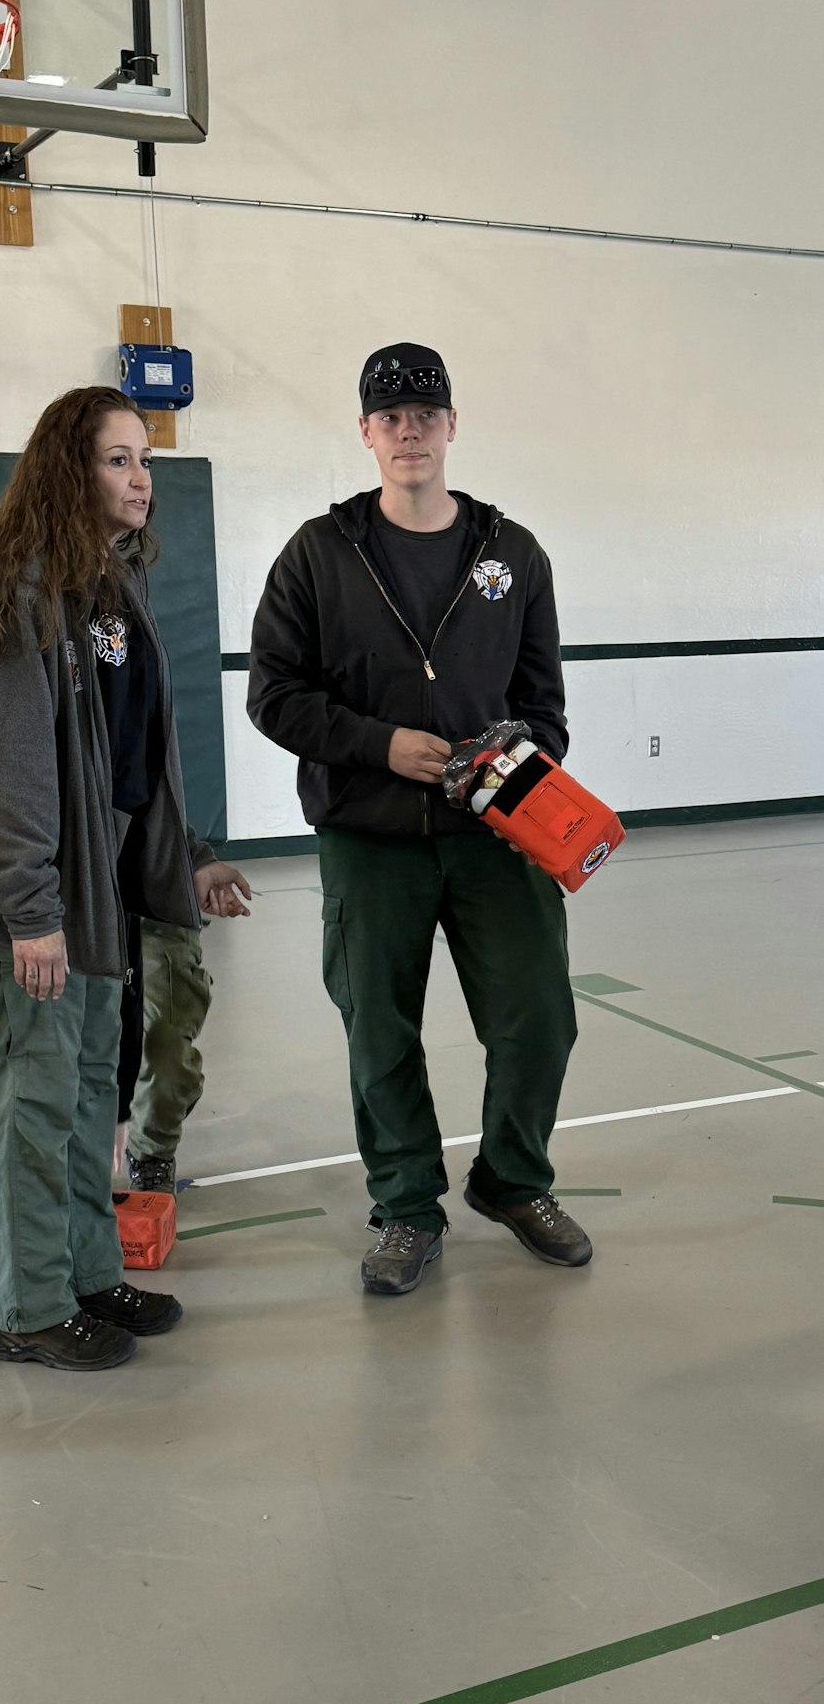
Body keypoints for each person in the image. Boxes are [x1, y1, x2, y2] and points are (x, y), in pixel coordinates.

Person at [248, 343, 590, 1297]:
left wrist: (514, 764)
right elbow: (273, 697)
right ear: (364, 433)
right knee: (380, 1033)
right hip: (369, 838)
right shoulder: (319, 554)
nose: (409, 432)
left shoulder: (512, 554)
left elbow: (546, 706)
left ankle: (514, 1182)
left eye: (425, 414)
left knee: (540, 1018)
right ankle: (405, 1207)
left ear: (452, 425)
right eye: (389, 417)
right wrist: (377, 744)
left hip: (498, 839)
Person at [0, 386, 251, 1371]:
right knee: (32, 1109)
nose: (141, 477)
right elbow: (10, 768)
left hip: (99, 897)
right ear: (70, 471)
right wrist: (32, 910)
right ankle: (26, 1306)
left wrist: (185, 855)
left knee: (82, 1103)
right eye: (118, 459)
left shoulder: (114, 589)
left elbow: (135, 754)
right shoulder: (21, 593)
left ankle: (85, 1269)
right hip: (29, 909)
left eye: (145, 458)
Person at [0, 739, 221, 1195]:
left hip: (144, 903)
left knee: (164, 1047)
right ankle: (60, 1155)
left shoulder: (82, 726)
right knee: (5, 1036)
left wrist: (196, 860)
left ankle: (151, 1153)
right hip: (61, 911)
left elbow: (151, 793)